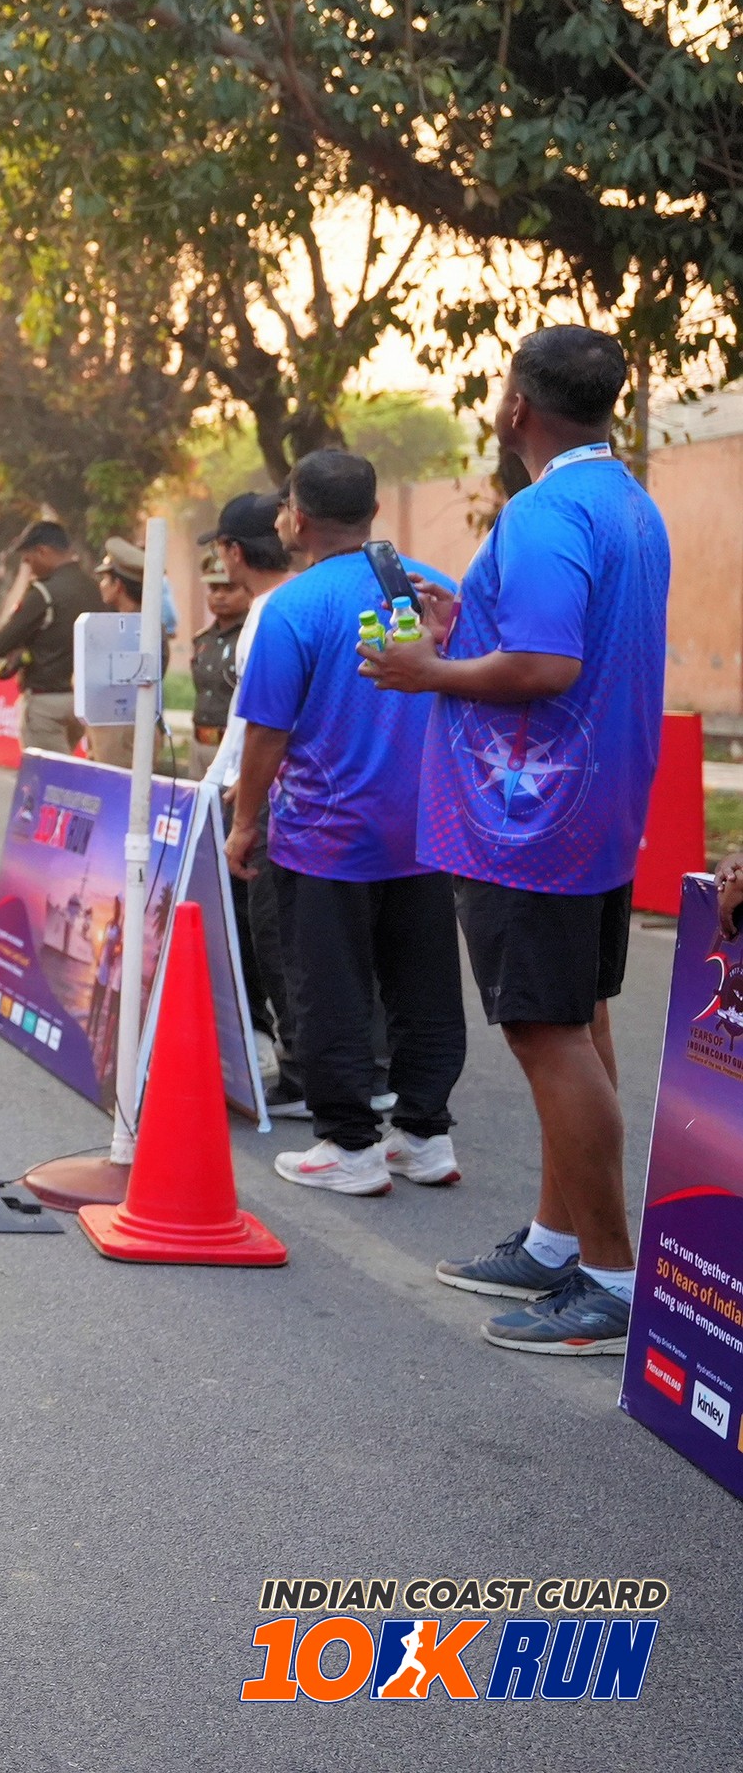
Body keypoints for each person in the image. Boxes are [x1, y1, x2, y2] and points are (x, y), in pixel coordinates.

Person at [363, 325, 670, 1356]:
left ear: (517, 407)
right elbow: (563, 641)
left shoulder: (545, 511)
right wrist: (469, 621)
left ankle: (612, 1280)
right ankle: (556, 1241)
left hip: (530, 817)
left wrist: (428, 671)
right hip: (592, 803)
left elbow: (545, 665)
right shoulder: (627, 500)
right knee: (576, 1018)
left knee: (547, 1034)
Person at [225, 451, 466, 1198]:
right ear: (375, 512)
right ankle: (424, 1136)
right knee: (424, 987)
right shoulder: (435, 591)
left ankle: (350, 1147)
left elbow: (266, 732)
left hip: (325, 840)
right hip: (425, 834)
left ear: (297, 518)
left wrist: (243, 824)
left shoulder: (292, 607)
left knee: (327, 990)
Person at [201, 492, 305, 1117]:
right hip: (289, 790)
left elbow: (259, 724)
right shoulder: (297, 602)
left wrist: (235, 797)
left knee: (269, 931)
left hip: (267, 793)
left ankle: (297, 1066)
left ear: (234, 551)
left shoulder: (271, 613)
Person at [0, 520, 93, 755]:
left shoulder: (43, 593)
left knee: (48, 774)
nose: (28, 566)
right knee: (68, 771)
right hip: (84, 701)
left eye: (28, 559)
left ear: (42, 551)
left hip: (46, 702)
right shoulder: (94, 588)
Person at [90, 537, 176, 770]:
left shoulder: (140, 630)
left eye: (106, 579)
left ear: (118, 585)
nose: (101, 585)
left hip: (127, 730)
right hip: (113, 728)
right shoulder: (125, 623)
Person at [187, 552, 248, 753]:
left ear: (248, 591)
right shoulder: (202, 639)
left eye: (229, 588)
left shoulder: (252, 636)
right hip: (200, 742)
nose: (220, 595)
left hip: (235, 745)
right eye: (214, 588)